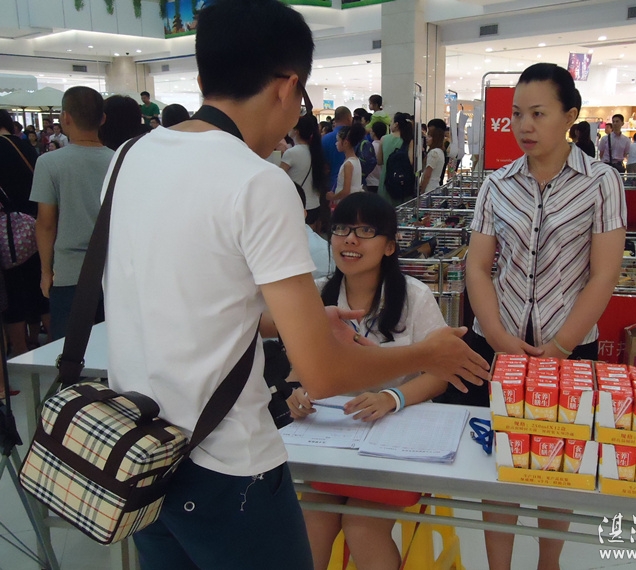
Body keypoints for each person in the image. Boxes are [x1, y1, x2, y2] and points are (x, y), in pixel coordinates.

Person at [101, 1, 489, 568]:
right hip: (226, 467)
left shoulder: (128, 158)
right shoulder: (257, 182)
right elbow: (323, 372)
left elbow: (177, 302)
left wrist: (285, 322)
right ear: (288, 86)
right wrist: (428, 354)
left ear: (205, 76)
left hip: (141, 455)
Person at [439, 62, 625, 570]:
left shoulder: (602, 183)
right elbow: (478, 267)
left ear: (570, 115)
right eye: (517, 113)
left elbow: (604, 274)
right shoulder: (496, 184)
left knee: (557, 463)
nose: (524, 125)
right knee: (499, 462)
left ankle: (549, 562)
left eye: (538, 113)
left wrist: (562, 346)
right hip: (497, 345)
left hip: (568, 348)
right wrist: (497, 335)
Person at [287, 192, 450, 570]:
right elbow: (299, 367)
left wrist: (392, 397)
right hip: (335, 436)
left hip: (397, 435)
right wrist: (297, 392)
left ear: (390, 245)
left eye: (365, 231)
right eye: (342, 229)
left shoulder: (415, 296)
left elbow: (440, 374)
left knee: (362, 527)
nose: (350, 239)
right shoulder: (318, 294)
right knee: (312, 523)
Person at [30, 86, 114, 341]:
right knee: (111, 346)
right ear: (102, 119)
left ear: (65, 117)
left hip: (68, 272)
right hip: (113, 271)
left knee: (70, 350)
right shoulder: (119, 160)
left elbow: (46, 223)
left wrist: (46, 272)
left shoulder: (49, 163)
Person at [0, 110, 50, 355]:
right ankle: (51, 340)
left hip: (7, 230)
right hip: (34, 225)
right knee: (40, 286)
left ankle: (20, 349)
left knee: (13, 291)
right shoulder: (25, 147)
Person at [281, 114, 326, 230]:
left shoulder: (291, 153)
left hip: (297, 204)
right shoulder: (316, 151)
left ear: (297, 131)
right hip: (314, 204)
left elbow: (279, 177)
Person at [377, 112, 414, 205]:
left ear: (396, 124)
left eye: (391, 122)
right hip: (402, 183)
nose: (390, 124)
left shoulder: (384, 139)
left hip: (386, 181)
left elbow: (379, 161)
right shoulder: (409, 141)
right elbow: (411, 162)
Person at [326, 124, 365, 202]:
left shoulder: (348, 164)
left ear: (345, 143)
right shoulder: (356, 160)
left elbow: (346, 191)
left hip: (347, 203)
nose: (336, 143)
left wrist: (332, 197)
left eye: (338, 141)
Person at [322, 106, 352, 191]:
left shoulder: (325, 139)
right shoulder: (356, 137)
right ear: (349, 118)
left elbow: (322, 163)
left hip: (331, 184)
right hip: (353, 184)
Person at [420, 123, 445, 193]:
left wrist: (422, 190)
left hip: (429, 189)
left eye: (430, 136)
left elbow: (427, 175)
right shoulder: (440, 152)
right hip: (435, 187)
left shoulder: (434, 153)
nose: (426, 138)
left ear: (436, 139)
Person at [364, 121, 385, 193]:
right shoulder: (385, 146)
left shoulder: (370, 147)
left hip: (370, 181)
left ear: (374, 133)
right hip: (382, 181)